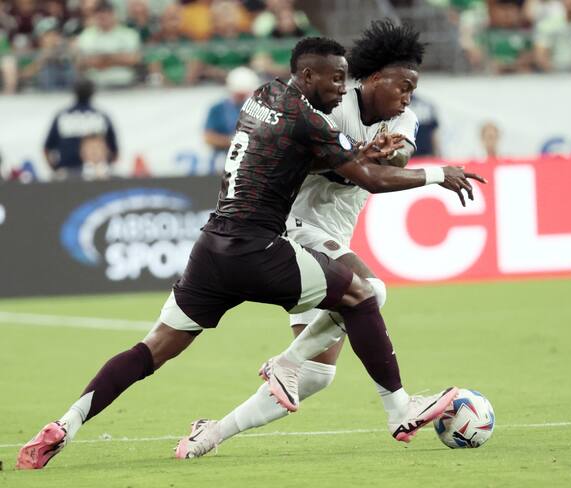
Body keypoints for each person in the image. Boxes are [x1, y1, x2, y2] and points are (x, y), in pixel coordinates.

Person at [17, 37, 482, 469]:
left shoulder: (264, 97)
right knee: (367, 294)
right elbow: (369, 176)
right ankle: (397, 408)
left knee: (158, 349)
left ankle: (71, 423)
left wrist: (365, 151)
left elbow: (335, 155)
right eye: (334, 79)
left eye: (344, 78)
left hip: (212, 246)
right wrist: (438, 174)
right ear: (308, 76)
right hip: (269, 242)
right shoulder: (314, 119)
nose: (341, 89)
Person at [172, 21, 486, 459]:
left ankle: (211, 433)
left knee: (318, 373)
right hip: (292, 225)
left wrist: (389, 154)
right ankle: (388, 403)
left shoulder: (404, 119)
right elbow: (332, 167)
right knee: (371, 291)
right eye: (404, 84)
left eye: (414, 88)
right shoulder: (333, 107)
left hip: (334, 233)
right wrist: (367, 160)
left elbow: (396, 160)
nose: (408, 96)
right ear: (374, 77)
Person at [43, 78, 118, 179]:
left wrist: (56, 169)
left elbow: (47, 149)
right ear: (93, 92)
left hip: (86, 174)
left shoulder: (62, 116)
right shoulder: (101, 116)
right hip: (69, 173)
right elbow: (115, 150)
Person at [204, 66, 261, 178]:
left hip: (251, 163)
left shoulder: (258, 108)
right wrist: (235, 142)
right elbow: (208, 137)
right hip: (224, 160)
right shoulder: (218, 109)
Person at [77, 1, 141, 88]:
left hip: (124, 83)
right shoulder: (86, 36)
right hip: (94, 84)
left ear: (114, 15)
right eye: (100, 16)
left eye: (106, 15)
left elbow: (134, 59)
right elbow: (83, 62)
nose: (103, 18)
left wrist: (102, 59)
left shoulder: (129, 34)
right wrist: (118, 58)